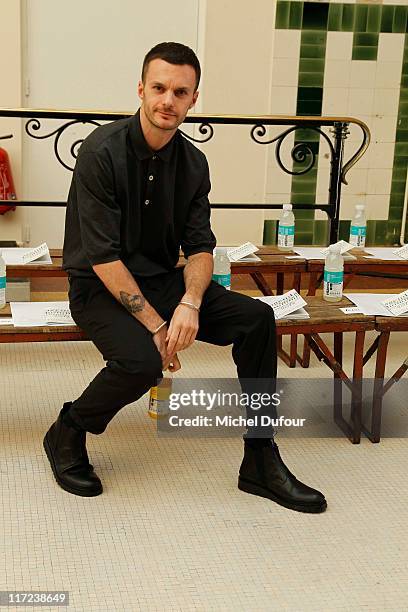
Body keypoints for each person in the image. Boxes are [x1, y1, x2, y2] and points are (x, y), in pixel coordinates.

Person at [44, 42, 326, 513]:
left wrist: (190, 302)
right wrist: (158, 326)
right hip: (98, 285)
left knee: (257, 319)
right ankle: (69, 429)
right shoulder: (100, 153)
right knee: (141, 363)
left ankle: (259, 458)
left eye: (180, 91)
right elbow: (102, 257)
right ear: (140, 89)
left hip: (164, 279)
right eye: (158, 88)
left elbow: (200, 247)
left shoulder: (194, 164)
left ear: (194, 99)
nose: (167, 101)